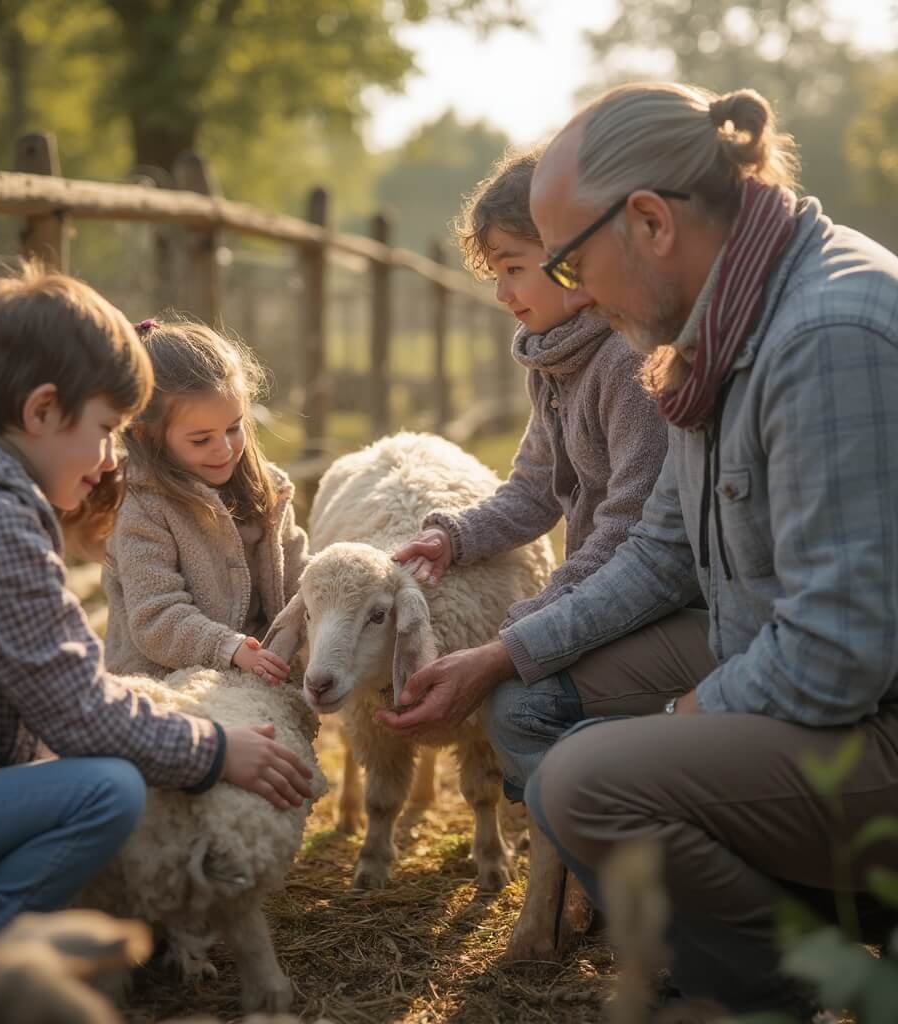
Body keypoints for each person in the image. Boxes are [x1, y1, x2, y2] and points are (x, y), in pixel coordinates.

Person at [385, 81, 898, 1019]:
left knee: (587, 775)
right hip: (776, 656)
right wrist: (503, 651)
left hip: (869, 714)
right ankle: (754, 924)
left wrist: (676, 718)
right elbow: (664, 546)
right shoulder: (716, 323)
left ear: (652, 222)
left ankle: (796, 983)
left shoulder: (828, 337)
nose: (564, 296)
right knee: (537, 704)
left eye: (567, 268)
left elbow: (837, 655)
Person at [0, 270, 312, 979]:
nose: (113, 457)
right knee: (104, 791)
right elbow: (80, 713)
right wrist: (212, 750)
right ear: (43, 411)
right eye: (108, 431)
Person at [394, 144, 667, 697]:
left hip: (649, 598)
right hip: (596, 592)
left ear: (572, 254)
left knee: (514, 703)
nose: (502, 294)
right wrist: (455, 538)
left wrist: (539, 617)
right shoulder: (552, 359)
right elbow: (535, 486)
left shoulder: (628, 362)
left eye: (514, 268)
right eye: (496, 273)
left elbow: (629, 526)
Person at [102, 317, 309, 687]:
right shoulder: (141, 507)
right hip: (168, 688)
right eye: (201, 440)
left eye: (234, 427)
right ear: (146, 435)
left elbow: (296, 576)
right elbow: (156, 617)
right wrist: (228, 647)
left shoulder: (270, 490)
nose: (225, 449)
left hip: (264, 679)